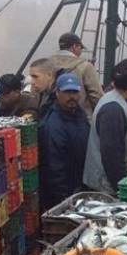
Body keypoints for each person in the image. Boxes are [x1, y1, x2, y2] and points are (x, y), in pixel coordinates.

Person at [83, 59, 127, 194]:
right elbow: (111, 157)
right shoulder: (113, 110)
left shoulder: (116, 100)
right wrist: (122, 190)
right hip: (105, 188)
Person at [40, 73, 91, 209]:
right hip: (64, 195)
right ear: (57, 93)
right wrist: (64, 200)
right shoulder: (52, 124)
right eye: (67, 92)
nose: (72, 96)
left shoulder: (79, 114)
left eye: (75, 92)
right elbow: (54, 167)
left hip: (79, 189)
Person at [50, 33, 103, 116]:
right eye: (80, 48)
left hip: (51, 118)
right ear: (74, 46)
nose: (81, 51)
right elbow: (97, 96)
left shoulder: (46, 64)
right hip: (79, 119)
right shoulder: (85, 66)